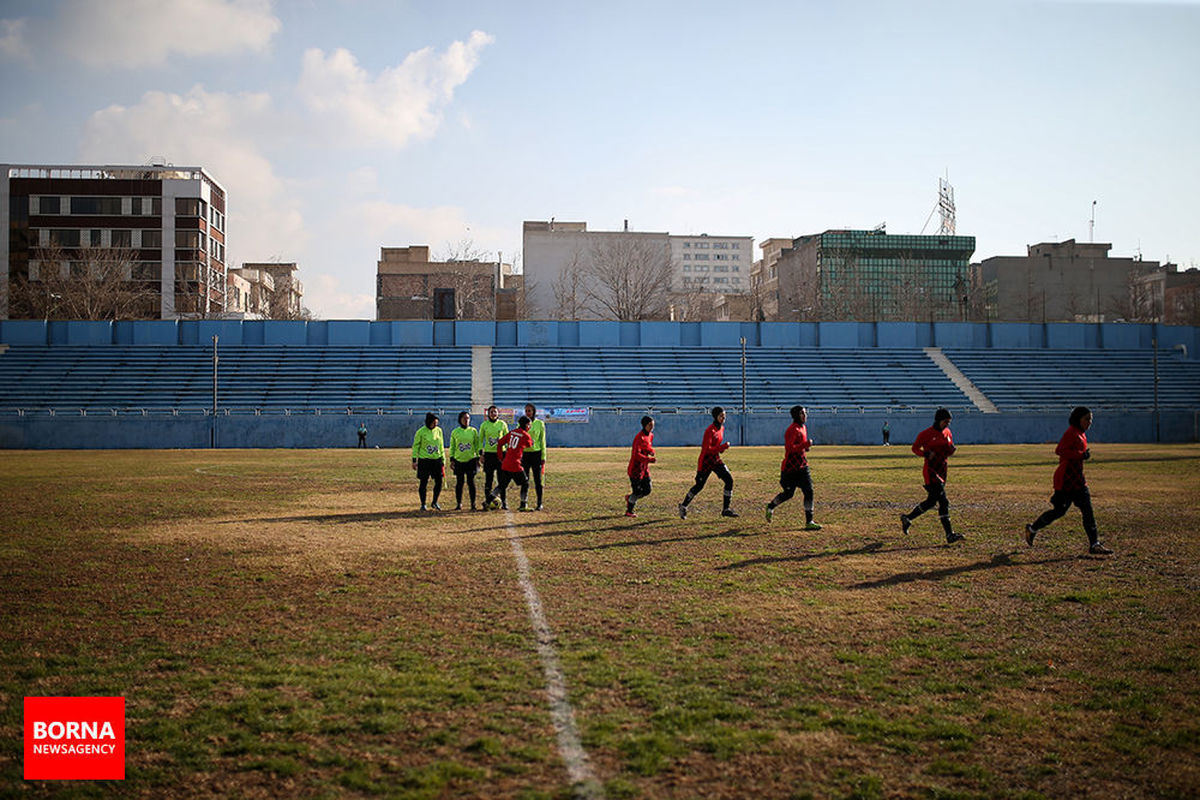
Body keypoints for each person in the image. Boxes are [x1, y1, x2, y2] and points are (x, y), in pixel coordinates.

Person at [1025, 406, 1112, 555]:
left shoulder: (1081, 434)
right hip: (1066, 480)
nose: (1089, 422)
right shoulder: (1071, 432)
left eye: (1091, 420)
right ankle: (1032, 529)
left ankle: (1094, 544)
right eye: (1087, 419)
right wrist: (1081, 455)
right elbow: (1060, 450)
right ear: (1078, 419)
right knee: (1059, 511)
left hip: (1078, 480)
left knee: (1088, 512)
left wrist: (1082, 455)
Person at [900, 408, 964, 543]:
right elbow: (915, 448)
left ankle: (908, 518)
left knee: (931, 501)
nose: (947, 424)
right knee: (943, 501)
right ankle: (949, 535)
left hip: (942, 469)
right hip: (931, 471)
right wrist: (926, 454)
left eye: (949, 422)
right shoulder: (926, 434)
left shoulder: (947, 432)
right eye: (945, 421)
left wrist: (951, 450)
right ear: (938, 420)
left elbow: (948, 447)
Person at [765, 405, 821, 530]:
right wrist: (804, 444)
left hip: (802, 466)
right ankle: (771, 506)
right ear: (796, 415)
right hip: (790, 468)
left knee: (809, 490)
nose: (805, 415)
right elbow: (790, 449)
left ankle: (809, 521)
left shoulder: (803, 427)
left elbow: (800, 446)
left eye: (805, 413)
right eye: (802, 413)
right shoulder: (792, 430)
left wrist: (805, 447)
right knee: (789, 494)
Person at [679, 406, 738, 518]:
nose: (723, 417)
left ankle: (726, 509)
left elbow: (715, 448)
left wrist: (721, 449)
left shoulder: (721, 428)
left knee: (729, 480)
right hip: (706, 461)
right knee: (699, 486)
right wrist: (722, 447)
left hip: (715, 459)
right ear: (716, 417)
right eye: (721, 415)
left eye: (724, 415)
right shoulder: (709, 430)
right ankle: (683, 506)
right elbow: (707, 450)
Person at [486, 416, 533, 512]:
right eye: (529, 424)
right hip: (516, 464)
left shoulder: (512, 432)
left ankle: (488, 500)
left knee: (502, 485)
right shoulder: (525, 435)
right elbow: (529, 444)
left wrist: (500, 457)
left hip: (506, 462)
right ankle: (523, 504)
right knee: (525, 483)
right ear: (526, 425)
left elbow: (500, 443)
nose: (530, 426)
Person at [411, 412, 447, 511]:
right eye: (434, 423)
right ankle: (423, 504)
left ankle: (435, 502)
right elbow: (416, 447)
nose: (435, 425)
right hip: (425, 461)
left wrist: (443, 459)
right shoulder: (421, 432)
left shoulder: (439, 431)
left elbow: (441, 445)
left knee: (439, 482)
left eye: (436, 423)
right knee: (423, 482)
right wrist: (414, 460)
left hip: (437, 460)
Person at [449, 411, 482, 511]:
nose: (466, 420)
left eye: (468, 418)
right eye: (464, 418)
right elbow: (453, 446)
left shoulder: (473, 431)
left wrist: (478, 457)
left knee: (471, 483)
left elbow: (477, 445)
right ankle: (459, 504)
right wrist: (452, 459)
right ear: (460, 420)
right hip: (459, 460)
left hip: (471, 460)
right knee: (460, 483)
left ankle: (473, 504)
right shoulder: (455, 432)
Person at [625, 416, 657, 517]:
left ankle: (630, 498)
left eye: (653, 425)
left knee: (648, 490)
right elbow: (636, 455)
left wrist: (650, 451)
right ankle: (629, 511)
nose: (652, 427)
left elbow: (646, 447)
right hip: (635, 469)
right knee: (637, 491)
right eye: (650, 425)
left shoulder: (651, 435)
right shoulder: (639, 437)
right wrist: (649, 459)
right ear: (645, 425)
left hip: (644, 468)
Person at [479, 405, 509, 506]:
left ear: (498, 413)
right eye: (491, 412)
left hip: (501, 455)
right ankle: (488, 501)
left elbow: (507, 438)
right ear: (488, 414)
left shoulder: (502, 424)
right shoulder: (484, 425)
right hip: (489, 455)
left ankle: (504, 501)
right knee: (489, 479)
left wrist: (508, 452)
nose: (493, 414)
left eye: (495, 412)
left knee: (502, 479)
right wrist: (481, 453)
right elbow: (480, 440)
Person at [523, 403, 547, 510]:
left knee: (538, 480)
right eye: (526, 411)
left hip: (536, 454)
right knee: (525, 479)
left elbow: (542, 441)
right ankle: (523, 502)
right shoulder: (521, 423)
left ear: (534, 412)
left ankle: (539, 503)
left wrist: (543, 456)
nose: (528, 413)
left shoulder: (540, 424)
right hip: (525, 455)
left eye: (530, 410)